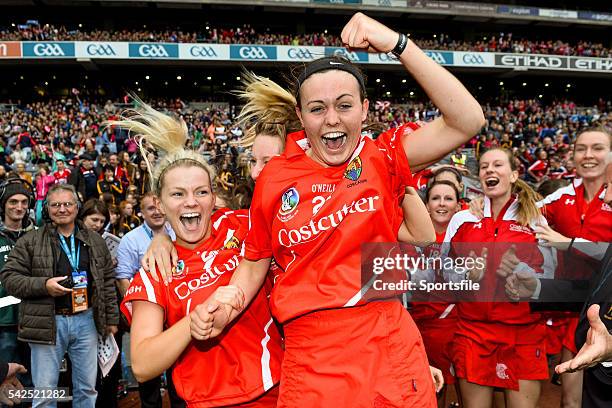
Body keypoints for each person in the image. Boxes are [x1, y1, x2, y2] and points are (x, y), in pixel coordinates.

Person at [173, 13, 483, 407]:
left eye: (344, 105)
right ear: (301, 117)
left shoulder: (381, 157)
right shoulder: (275, 177)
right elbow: (254, 264)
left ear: (365, 109)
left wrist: (396, 44)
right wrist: (227, 302)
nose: (332, 119)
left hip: (387, 343)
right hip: (312, 356)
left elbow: (467, 120)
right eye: (318, 109)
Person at [109, 102, 284, 406]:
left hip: (279, 390)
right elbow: (142, 363)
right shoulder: (154, 270)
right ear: (160, 206)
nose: (191, 202)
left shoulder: (243, 225)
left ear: (213, 198)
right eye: (177, 194)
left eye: (201, 192)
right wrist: (191, 323)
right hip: (209, 402)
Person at [442, 148, 551, 408]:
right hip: (473, 332)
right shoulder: (462, 218)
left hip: (523, 334)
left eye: (498, 165)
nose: (489, 170)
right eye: (484, 167)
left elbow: (550, 275)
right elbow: (444, 270)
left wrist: (522, 275)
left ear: (513, 174)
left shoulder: (535, 219)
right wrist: (468, 274)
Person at [0, 184, 119, 408]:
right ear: (47, 209)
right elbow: (9, 277)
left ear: (77, 207)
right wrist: (44, 286)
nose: (62, 209)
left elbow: (107, 281)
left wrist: (111, 319)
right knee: (45, 393)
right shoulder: (31, 240)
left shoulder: (95, 240)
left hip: (86, 320)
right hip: (48, 321)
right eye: (55, 205)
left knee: (87, 389)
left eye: (67, 204)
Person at [410, 180, 462, 407]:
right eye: (435, 198)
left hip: (457, 326)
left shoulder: (468, 234)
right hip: (417, 326)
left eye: (448, 198)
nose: (442, 204)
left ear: (459, 206)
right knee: (430, 390)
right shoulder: (410, 235)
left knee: (464, 389)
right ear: (427, 206)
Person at [0, 178, 36, 388]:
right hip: (4, 323)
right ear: (3, 204)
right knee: (6, 383)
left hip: (33, 320)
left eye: (24, 202)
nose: (19, 207)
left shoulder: (38, 235)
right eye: (13, 201)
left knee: (32, 384)